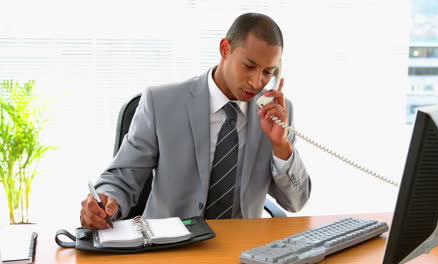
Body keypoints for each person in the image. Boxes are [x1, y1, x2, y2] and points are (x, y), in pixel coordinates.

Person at [80, 12, 311, 229]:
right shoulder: (160, 103)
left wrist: (282, 146)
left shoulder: (276, 113)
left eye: (267, 72)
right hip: (171, 247)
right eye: (249, 66)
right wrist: (104, 201)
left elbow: (296, 202)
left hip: (242, 248)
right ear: (225, 49)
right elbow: (122, 176)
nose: (256, 82)